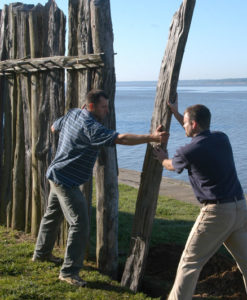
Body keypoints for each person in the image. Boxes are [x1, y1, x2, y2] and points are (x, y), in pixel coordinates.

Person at [32, 89, 169, 287]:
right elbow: (121, 139)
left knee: (51, 216)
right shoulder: (90, 127)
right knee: (80, 223)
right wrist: (152, 138)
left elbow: (54, 127)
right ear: (91, 106)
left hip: (55, 174)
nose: (107, 110)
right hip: (66, 181)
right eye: (103, 107)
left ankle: (41, 254)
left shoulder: (74, 114)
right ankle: (69, 272)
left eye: (107, 106)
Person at [153, 96, 247, 300]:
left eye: (187, 122)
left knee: (189, 263)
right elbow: (195, 132)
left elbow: (172, 165)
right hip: (240, 209)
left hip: (216, 213)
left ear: (194, 124)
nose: (185, 126)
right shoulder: (221, 138)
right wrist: (177, 113)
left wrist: (162, 158)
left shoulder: (187, 151)